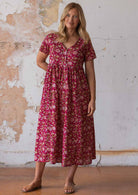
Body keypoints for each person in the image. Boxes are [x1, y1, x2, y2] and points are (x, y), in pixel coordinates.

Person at [21, 2, 96, 194]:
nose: (71, 19)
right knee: (46, 135)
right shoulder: (51, 39)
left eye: (75, 16)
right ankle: (37, 179)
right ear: (63, 18)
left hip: (78, 95)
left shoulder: (84, 42)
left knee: (77, 135)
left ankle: (69, 180)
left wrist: (92, 99)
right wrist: (55, 74)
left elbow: (90, 72)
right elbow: (39, 60)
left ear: (80, 20)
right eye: (68, 15)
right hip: (53, 96)